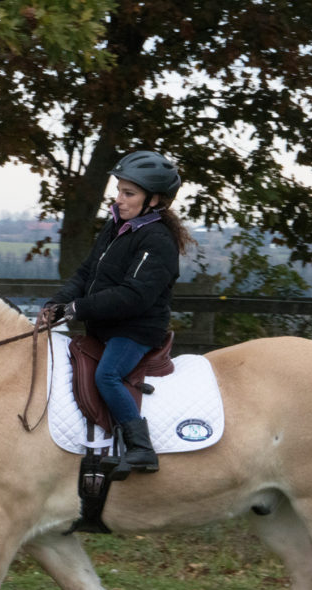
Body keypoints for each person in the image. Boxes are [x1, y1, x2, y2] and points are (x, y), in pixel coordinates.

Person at [44, 150, 192, 473]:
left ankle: (141, 447)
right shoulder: (115, 227)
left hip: (135, 330)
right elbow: (86, 273)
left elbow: (133, 297)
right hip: (105, 327)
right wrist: (57, 304)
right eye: (119, 191)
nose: (119, 199)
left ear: (153, 200)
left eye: (129, 193)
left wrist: (77, 308)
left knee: (107, 375)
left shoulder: (157, 240)